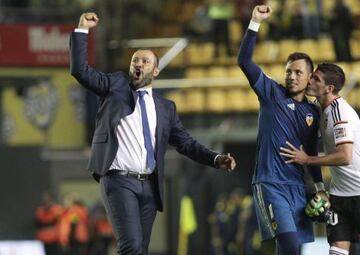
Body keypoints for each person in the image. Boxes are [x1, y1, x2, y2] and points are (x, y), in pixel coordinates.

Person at [70, 12, 237, 255]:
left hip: (149, 185)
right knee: (132, 247)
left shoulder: (165, 107)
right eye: (134, 61)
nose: (138, 64)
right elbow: (80, 71)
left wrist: (215, 158)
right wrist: (82, 30)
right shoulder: (114, 86)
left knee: (141, 250)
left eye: (145, 61)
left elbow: (186, 143)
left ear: (156, 72)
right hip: (118, 180)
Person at [237, 5, 326, 255]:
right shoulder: (271, 93)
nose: (291, 76)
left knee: (292, 250)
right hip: (271, 183)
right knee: (288, 245)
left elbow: (311, 152)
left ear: (309, 78)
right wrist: (255, 22)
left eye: (298, 72)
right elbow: (244, 61)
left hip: (298, 187)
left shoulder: (313, 113)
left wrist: (320, 188)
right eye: (288, 71)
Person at [280, 63, 360, 255]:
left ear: (329, 89)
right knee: (336, 249)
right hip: (339, 194)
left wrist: (307, 160)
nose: (310, 80)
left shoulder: (340, 112)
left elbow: (345, 156)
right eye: (312, 76)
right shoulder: (320, 110)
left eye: (316, 79)